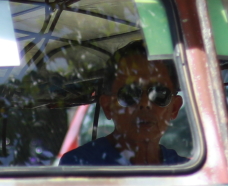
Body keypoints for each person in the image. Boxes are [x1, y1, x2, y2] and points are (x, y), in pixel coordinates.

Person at [58, 42, 187, 167]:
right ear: (108, 106)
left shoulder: (188, 172)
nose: (144, 103)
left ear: (174, 108)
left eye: (159, 93)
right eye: (129, 94)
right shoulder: (81, 165)